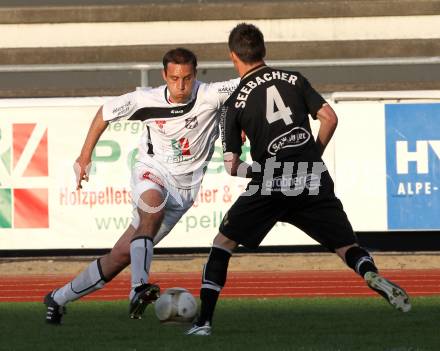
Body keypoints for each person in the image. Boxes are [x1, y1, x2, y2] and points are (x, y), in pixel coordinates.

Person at [186, 23, 411, 336]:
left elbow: (231, 165)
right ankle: (370, 273)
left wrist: (255, 171)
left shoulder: (234, 101)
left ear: (233, 56)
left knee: (223, 243)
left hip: (271, 179)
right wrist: (312, 154)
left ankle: (203, 323)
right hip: (311, 174)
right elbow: (329, 118)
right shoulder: (294, 79)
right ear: (263, 51)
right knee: (346, 246)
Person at [44, 48, 239, 324]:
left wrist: (238, 120)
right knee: (153, 207)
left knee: (120, 255)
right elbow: (104, 113)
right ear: (164, 75)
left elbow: (251, 85)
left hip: (183, 193)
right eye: (174, 78)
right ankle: (138, 288)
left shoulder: (211, 94)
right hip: (152, 171)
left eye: (186, 78)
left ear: (195, 75)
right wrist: (85, 155)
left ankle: (58, 298)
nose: (180, 86)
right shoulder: (144, 99)